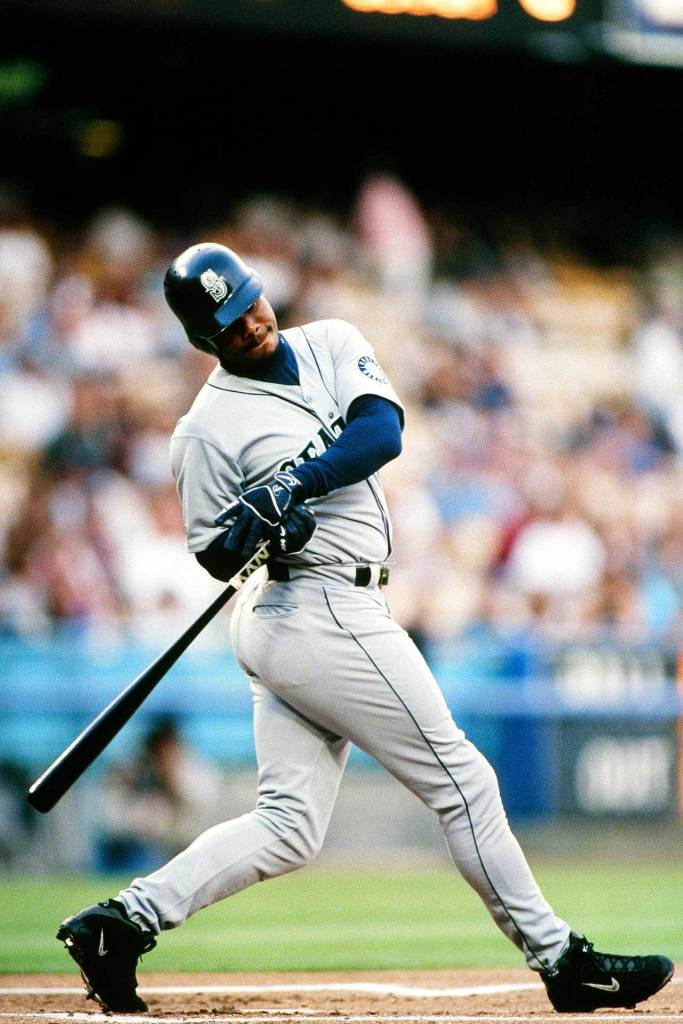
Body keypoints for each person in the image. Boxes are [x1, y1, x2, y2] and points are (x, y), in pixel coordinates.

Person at [57, 243, 673, 1015]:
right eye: (228, 320)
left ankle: (120, 924)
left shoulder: (330, 341)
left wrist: (290, 485)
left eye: (250, 301)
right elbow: (214, 553)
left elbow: (381, 432)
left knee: (287, 828)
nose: (250, 321)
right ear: (200, 339)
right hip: (312, 609)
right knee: (464, 781)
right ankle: (559, 960)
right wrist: (258, 529)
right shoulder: (204, 431)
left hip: (333, 613)